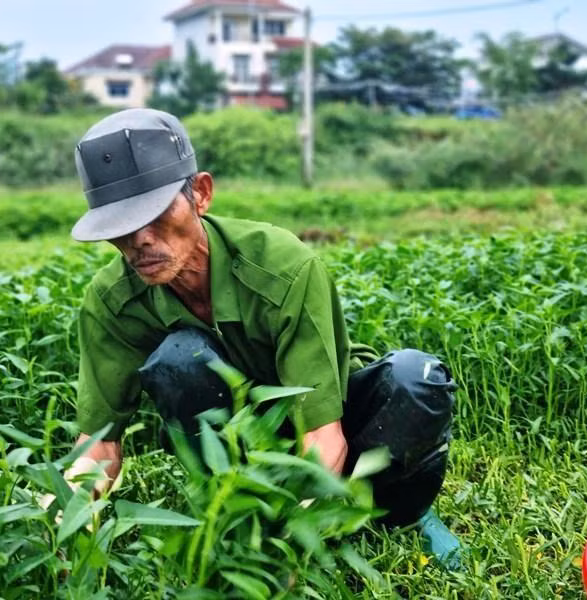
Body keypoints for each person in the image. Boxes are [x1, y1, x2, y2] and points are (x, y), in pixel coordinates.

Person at [44, 108, 459, 561]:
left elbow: (322, 434)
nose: (139, 240)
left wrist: (287, 545)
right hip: (240, 438)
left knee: (415, 379)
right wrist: (66, 520)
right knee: (177, 360)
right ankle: (241, 512)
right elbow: (99, 444)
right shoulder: (111, 301)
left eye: (157, 213)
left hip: (331, 416)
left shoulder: (281, 265)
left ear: (200, 194)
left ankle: (407, 514)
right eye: (119, 226)